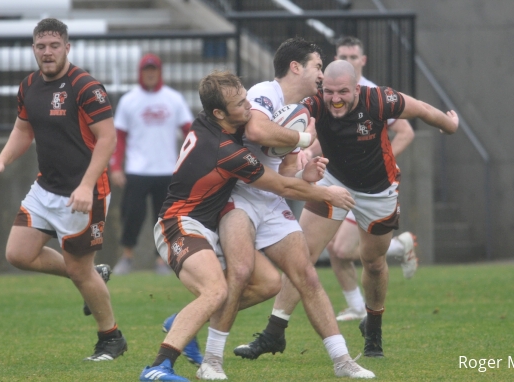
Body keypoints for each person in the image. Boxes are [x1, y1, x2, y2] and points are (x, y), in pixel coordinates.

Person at [139, 70, 359, 381]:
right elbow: (282, 187)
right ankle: (157, 367)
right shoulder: (226, 151)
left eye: (246, 98)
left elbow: (275, 157)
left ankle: (183, 322)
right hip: (179, 224)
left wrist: (297, 161)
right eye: (240, 104)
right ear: (219, 113)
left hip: (204, 226)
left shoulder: (210, 121)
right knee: (215, 291)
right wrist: (326, 190)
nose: (248, 107)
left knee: (269, 283)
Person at [234, 59, 458, 360]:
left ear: (357, 88)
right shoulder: (314, 103)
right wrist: (296, 149)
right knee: (302, 254)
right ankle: (274, 333)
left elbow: (421, 109)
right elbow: (291, 123)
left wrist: (449, 125)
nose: (335, 99)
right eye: (329, 92)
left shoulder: (378, 99)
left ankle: (373, 332)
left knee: (374, 262)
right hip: (333, 181)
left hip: (378, 190)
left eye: (343, 92)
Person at [194, 38, 375, 380]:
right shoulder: (266, 92)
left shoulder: (303, 108)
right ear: (296, 67)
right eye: (318, 66)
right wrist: (306, 143)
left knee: (306, 275)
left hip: (272, 201)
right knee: (242, 272)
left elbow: (286, 172)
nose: (322, 74)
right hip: (239, 198)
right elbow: (258, 129)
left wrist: (306, 173)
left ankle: (342, 361)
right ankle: (211, 361)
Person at [0, 18, 127, 361]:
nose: (47, 53)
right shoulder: (28, 86)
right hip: (46, 188)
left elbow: (108, 139)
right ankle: (96, 275)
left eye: (54, 46)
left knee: (79, 271)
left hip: (85, 193)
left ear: (67, 48)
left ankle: (111, 338)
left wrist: (87, 186)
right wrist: (0, 162)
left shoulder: (86, 86)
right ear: (34, 49)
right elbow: (23, 130)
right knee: (18, 253)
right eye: (41, 46)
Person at [307, 35, 419, 322]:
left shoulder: (371, 94)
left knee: (346, 250)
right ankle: (359, 303)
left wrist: (379, 160)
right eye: (344, 55)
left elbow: (405, 132)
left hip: (369, 186)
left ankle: (368, 301)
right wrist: (306, 152)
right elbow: (328, 139)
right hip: (340, 180)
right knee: (336, 249)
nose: (349, 59)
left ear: (363, 61)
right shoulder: (332, 92)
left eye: (354, 56)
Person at [109, 53, 194, 276]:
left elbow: (189, 132)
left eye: (153, 69)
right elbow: (119, 138)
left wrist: (191, 162)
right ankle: (127, 257)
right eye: (146, 70)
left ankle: (162, 260)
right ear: (140, 72)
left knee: (164, 219)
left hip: (167, 169)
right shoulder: (129, 100)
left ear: (159, 72)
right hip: (137, 171)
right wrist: (116, 167)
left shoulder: (173, 99)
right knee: (132, 216)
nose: (150, 74)